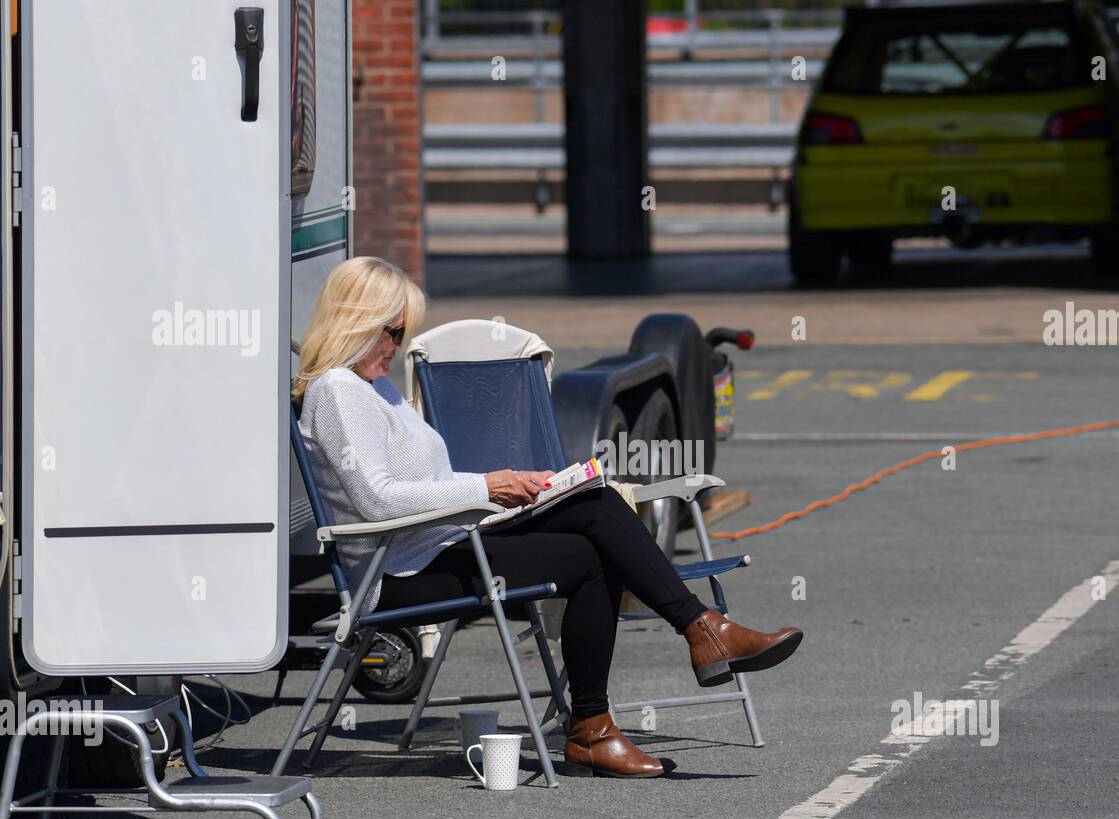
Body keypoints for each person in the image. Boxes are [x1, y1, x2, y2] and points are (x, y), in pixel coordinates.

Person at [293, 257, 803, 778]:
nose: (397, 345)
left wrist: (521, 487)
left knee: (595, 502)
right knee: (589, 557)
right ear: (356, 320)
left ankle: (686, 645)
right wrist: (486, 485)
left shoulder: (373, 386)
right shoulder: (338, 391)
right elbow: (376, 501)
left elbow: (421, 483)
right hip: (397, 571)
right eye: (394, 331)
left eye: (405, 334)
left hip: (445, 540)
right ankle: (603, 718)